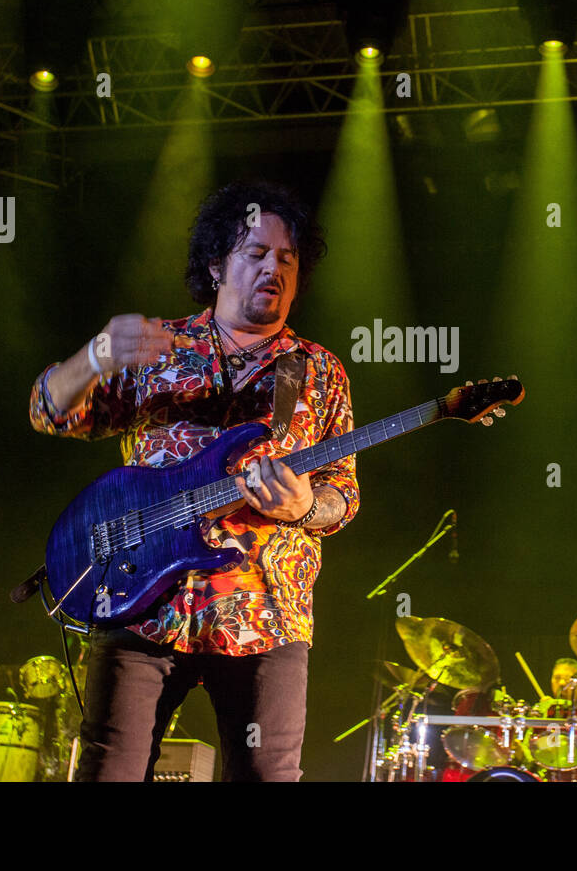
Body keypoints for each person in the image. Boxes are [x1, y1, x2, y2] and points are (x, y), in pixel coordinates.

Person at [28, 180, 359, 781]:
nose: (273, 269)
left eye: (286, 258)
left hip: (267, 611)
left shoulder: (318, 370)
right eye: (255, 253)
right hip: (142, 597)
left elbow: (344, 497)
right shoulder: (161, 349)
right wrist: (94, 355)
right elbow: (48, 411)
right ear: (215, 265)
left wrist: (307, 505)